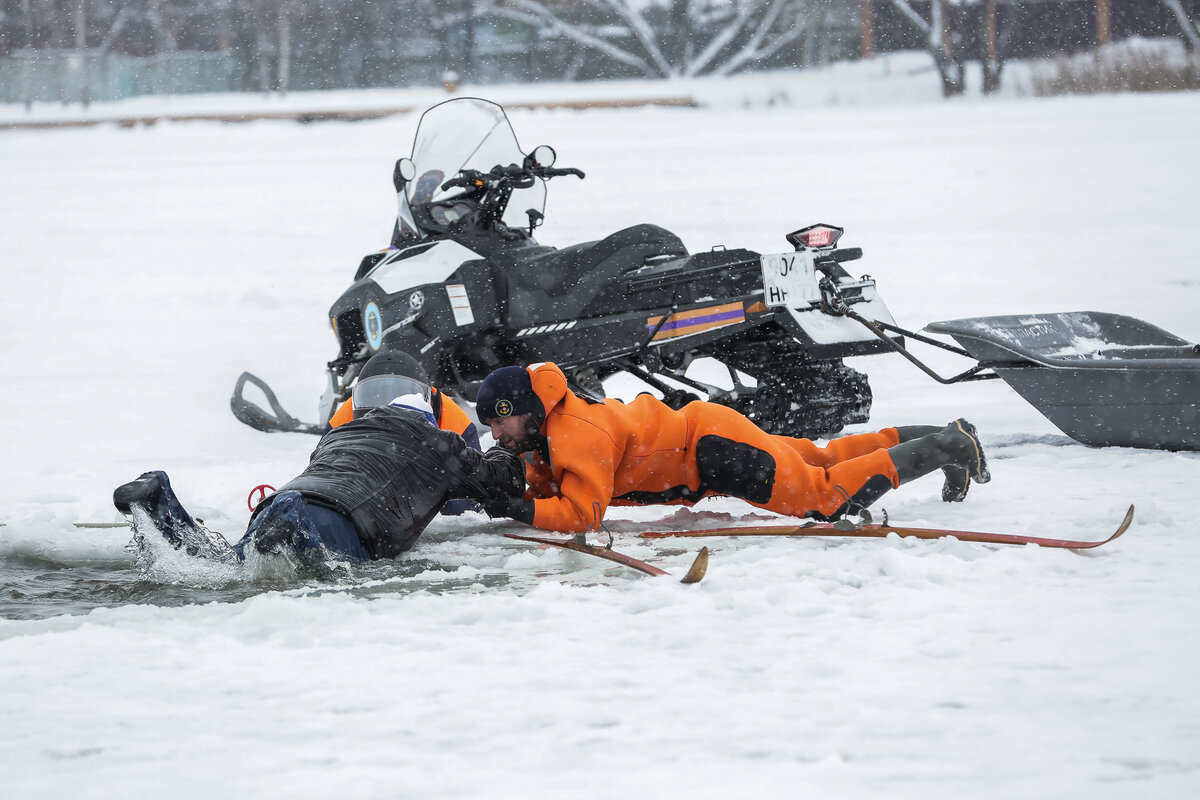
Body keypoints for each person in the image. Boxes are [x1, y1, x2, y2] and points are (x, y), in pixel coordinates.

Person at [474, 362, 990, 533]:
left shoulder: (576, 434)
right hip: (709, 433)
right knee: (822, 458)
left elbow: (582, 512)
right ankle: (940, 435)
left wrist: (514, 508)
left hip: (714, 452)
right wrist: (504, 484)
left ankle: (947, 445)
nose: (495, 435)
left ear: (526, 410)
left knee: (824, 495)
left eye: (499, 424)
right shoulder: (549, 429)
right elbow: (550, 483)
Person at [113, 391, 525, 569]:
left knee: (221, 568)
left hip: (283, 501)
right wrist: (508, 448)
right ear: (427, 419)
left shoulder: (343, 433)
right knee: (296, 571)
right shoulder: (436, 443)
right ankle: (293, 529)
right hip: (341, 523)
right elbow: (499, 482)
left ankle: (159, 496)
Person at [327, 350, 482, 515]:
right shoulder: (342, 421)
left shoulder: (456, 423)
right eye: (378, 395)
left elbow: (469, 501)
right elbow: (325, 478)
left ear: (427, 400)